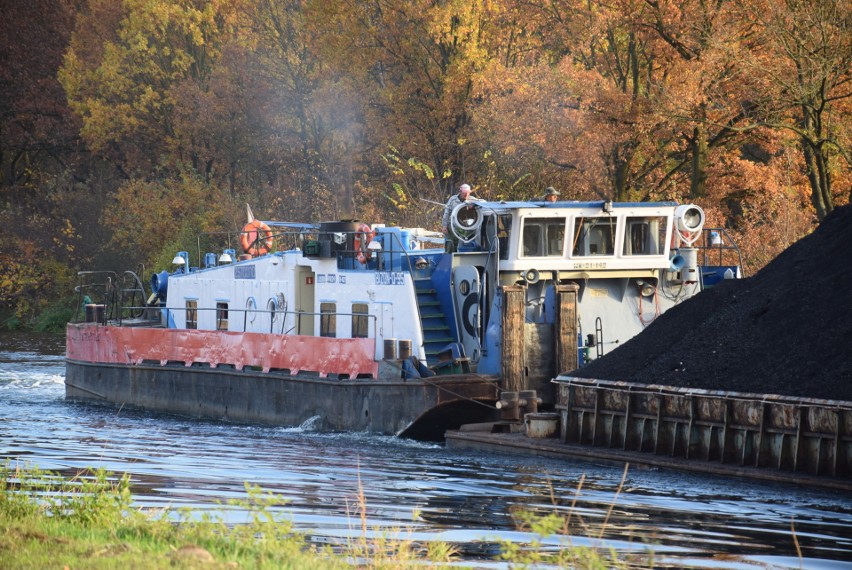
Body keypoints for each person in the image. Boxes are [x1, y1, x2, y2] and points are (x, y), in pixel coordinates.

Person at [442, 183, 473, 251]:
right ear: (460, 192)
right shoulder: (453, 199)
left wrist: (473, 205)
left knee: (469, 236)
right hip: (452, 224)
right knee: (451, 242)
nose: (466, 195)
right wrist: (444, 226)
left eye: (468, 193)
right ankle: (451, 253)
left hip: (465, 225)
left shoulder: (471, 200)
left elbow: (483, 202)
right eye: (465, 193)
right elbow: (446, 213)